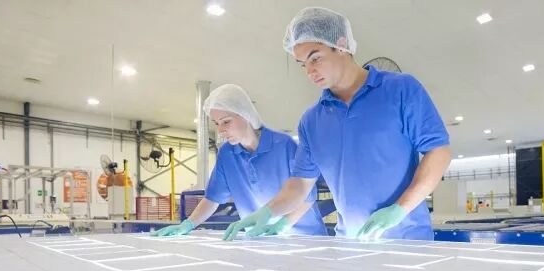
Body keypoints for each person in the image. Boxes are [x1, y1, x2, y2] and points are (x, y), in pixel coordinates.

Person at [222, 7, 451, 241]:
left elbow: (438, 151)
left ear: (341, 45)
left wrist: (400, 209)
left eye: (315, 58)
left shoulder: (401, 89)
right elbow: (301, 183)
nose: (310, 71)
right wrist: (268, 212)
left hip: (409, 239)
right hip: (350, 242)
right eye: (303, 64)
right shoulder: (311, 121)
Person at [152, 84, 326, 237]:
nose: (220, 130)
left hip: (305, 236)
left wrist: (283, 225)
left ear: (246, 115)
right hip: (259, 239)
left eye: (226, 122)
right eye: (216, 123)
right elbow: (212, 199)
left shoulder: (284, 145)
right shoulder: (227, 154)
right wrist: (188, 224)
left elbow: (307, 196)